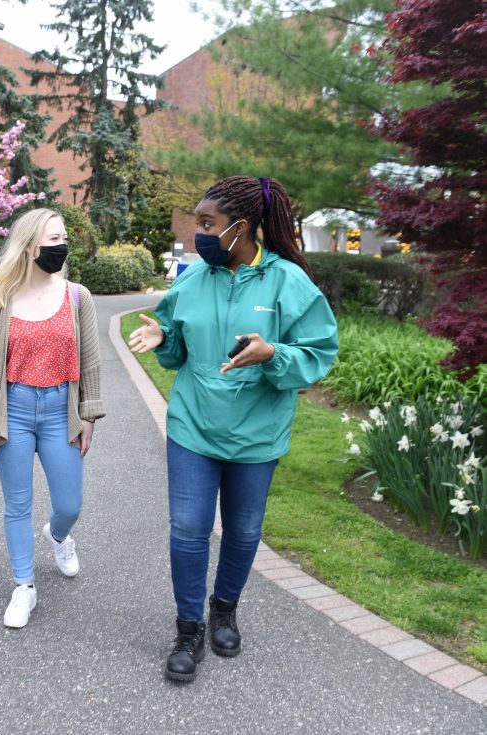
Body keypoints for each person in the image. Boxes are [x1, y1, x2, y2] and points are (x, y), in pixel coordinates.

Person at [129, 176, 338, 682]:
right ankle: (188, 630)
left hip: (256, 434)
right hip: (193, 428)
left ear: (240, 227)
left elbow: (318, 353)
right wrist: (162, 336)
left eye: (208, 225)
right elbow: (177, 351)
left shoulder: (288, 282)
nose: (199, 234)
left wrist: (274, 353)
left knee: (243, 531)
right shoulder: (191, 279)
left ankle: (224, 609)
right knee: (188, 530)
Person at [0, 208, 105, 629]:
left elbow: (92, 362)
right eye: (53, 238)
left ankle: (58, 536)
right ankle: (23, 586)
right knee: (18, 504)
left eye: (63, 237)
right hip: (14, 409)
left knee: (69, 503)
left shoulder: (77, 296)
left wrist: (89, 417)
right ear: (29, 247)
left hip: (59, 412)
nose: (61, 245)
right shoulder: (1, 298)